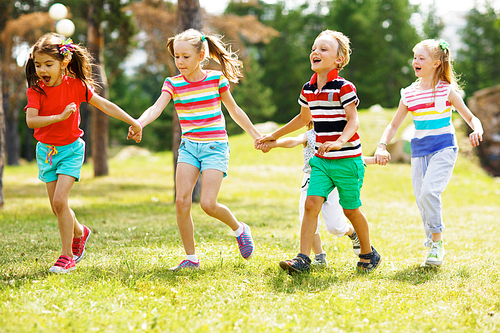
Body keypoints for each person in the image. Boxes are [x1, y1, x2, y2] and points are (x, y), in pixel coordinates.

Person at [127, 29, 262, 271]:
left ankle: (239, 229)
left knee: (208, 204)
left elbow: (235, 111)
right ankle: (191, 258)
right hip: (189, 147)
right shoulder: (173, 83)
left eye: (185, 57)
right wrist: (139, 122)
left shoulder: (215, 79)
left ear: (201, 56)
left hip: (215, 146)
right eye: (176, 57)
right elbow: (156, 108)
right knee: (181, 201)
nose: (180, 62)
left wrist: (256, 135)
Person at [256, 30, 382, 274]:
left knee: (350, 210)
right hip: (322, 161)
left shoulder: (344, 88)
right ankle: (303, 259)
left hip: (347, 159)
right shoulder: (308, 89)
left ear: (339, 59)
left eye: (324, 49)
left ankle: (368, 253)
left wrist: (340, 141)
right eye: (314, 48)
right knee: (311, 204)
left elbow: (353, 121)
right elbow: (303, 119)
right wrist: (274, 136)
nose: (316, 52)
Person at [24, 33, 142, 273]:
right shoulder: (36, 90)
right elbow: (31, 121)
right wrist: (59, 117)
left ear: (63, 63)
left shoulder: (76, 86)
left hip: (71, 150)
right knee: (57, 207)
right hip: (46, 152)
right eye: (38, 65)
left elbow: (105, 105)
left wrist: (133, 121)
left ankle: (66, 256)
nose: (42, 70)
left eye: (48, 64)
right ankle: (80, 231)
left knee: (60, 201)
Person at [374, 39, 483, 266]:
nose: (415, 61)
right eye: (414, 57)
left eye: (421, 58)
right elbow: (394, 125)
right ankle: (432, 242)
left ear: (435, 63)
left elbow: (471, 117)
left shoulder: (447, 90)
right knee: (421, 198)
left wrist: (477, 129)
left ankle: (437, 243)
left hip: (444, 148)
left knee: (429, 193)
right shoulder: (409, 94)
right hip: (419, 151)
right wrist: (382, 144)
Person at [259, 121, 375, 266]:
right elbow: (293, 140)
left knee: (335, 226)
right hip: (311, 180)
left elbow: (354, 158)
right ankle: (319, 257)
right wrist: (274, 143)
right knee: (306, 218)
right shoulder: (310, 135)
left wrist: (374, 159)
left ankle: (352, 233)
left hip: (333, 184)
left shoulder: (338, 136)